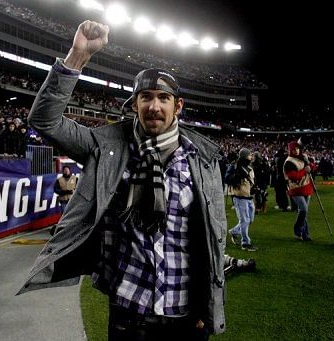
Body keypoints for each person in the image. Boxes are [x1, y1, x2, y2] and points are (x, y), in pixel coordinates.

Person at [19, 20, 226, 339]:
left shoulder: (202, 160)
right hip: (128, 314)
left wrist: (207, 306)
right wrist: (77, 56)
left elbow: (210, 239)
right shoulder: (106, 147)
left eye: (163, 98)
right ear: (135, 104)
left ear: (178, 106)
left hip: (185, 315)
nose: (154, 106)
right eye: (145, 97)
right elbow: (45, 121)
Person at [226, 148, 257, 251]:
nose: (251, 156)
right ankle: (245, 243)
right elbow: (226, 178)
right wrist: (238, 175)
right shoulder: (234, 166)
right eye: (249, 155)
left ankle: (234, 232)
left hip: (248, 197)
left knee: (250, 220)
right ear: (244, 156)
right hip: (239, 197)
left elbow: (251, 181)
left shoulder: (249, 166)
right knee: (244, 220)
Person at [284, 141, 313, 241]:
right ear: (290, 150)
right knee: (303, 210)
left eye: (297, 148)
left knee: (304, 212)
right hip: (295, 189)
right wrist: (305, 170)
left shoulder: (302, 158)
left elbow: (311, 168)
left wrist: (310, 165)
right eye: (293, 149)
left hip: (306, 187)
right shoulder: (288, 162)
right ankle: (297, 230)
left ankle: (304, 234)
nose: (296, 151)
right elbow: (293, 177)